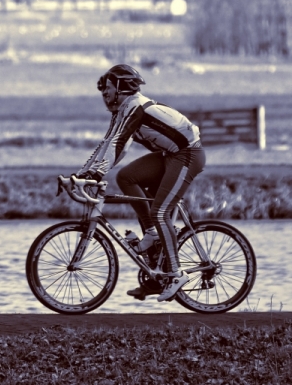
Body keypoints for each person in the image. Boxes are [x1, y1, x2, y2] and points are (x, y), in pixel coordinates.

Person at [76, 64, 206, 302]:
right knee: (126, 177)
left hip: (188, 154)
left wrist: (95, 175)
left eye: (107, 88)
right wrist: (82, 173)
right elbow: (109, 143)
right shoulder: (123, 111)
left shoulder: (135, 106)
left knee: (160, 211)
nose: (104, 94)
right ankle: (154, 244)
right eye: (102, 90)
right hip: (170, 155)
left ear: (121, 87)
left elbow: (117, 144)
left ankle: (176, 274)